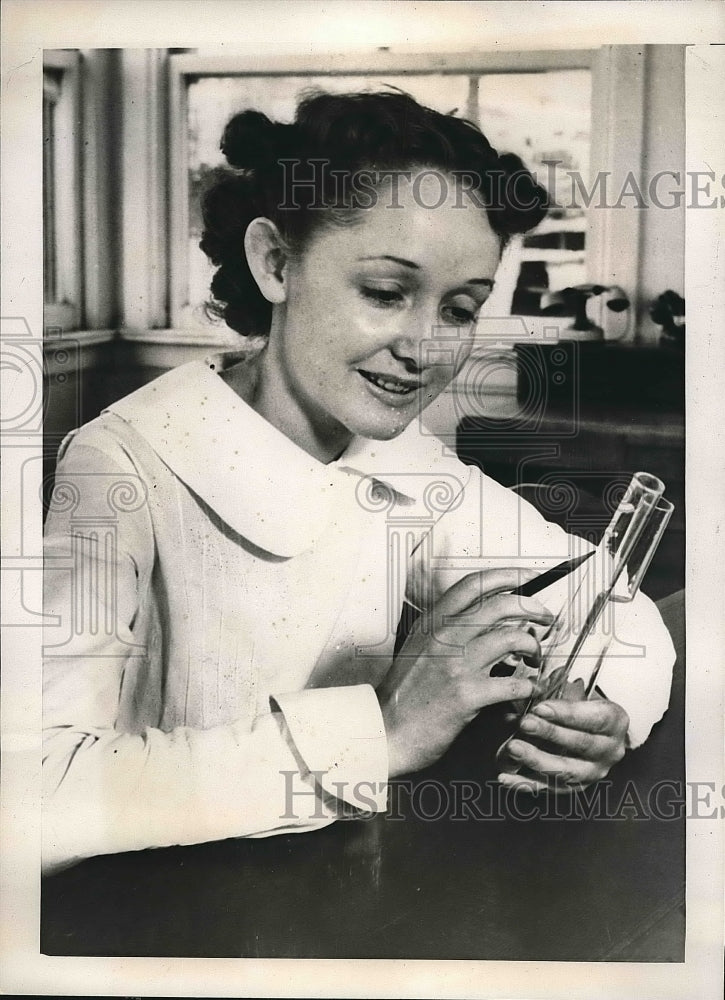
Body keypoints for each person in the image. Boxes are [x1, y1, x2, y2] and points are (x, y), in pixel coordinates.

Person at [42, 91, 674, 873]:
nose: (424, 348)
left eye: (460, 308)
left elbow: (618, 607)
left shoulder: (401, 458)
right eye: (383, 293)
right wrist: (386, 730)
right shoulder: (121, 464)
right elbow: (43, 792)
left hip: (333, 886)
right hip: (144, 917)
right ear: (275, 262)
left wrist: (607, 714)